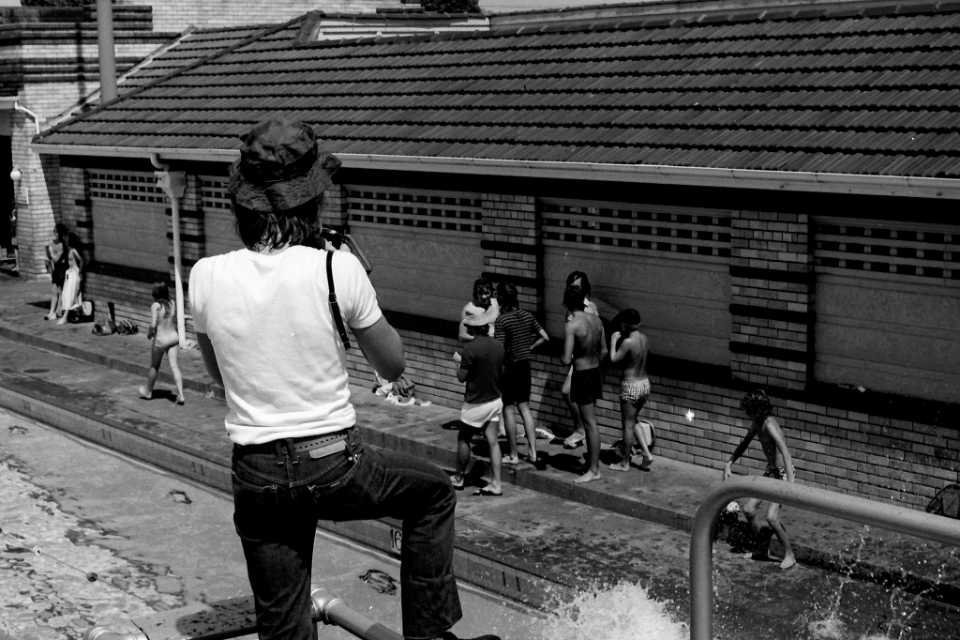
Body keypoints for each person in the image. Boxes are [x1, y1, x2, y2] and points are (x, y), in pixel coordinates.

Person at [189, 118, 498, 640]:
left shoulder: (205, 276)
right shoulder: (336, 269)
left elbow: (222, 377)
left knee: (283, 623)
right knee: (434, 494)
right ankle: (426, 637)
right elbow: (393, 367)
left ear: (244, 205)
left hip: (256, 471)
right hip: (333, 464)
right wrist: (355, 276)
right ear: (311, 202)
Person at [723, 390, 797, 571]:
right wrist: (729, 463)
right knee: (748, 509)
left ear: (757, 409)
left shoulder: (770, 425)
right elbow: (744, 443)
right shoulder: (757, 423)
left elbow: (785, 453)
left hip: (783, 475)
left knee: (771, 517)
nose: (747, 414)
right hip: (771, 472)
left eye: (749, 411)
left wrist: (790, 485)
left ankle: (790, 555)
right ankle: (761, 550)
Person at [493, 281, 550, 467]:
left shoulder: (502, 321)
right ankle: (533, 451)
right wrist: (529, 348)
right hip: (525, 367)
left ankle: (513, 454)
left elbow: (499, 349)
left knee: (508, 409)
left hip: (509, 368)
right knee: (525, 409)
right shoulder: (527, 315)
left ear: (501, 298)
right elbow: (545, 336)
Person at [452, 308, 505, 496]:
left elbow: (461, 377)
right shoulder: (499, 346)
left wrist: (459, 363)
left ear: (473, 329)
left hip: (475, 403)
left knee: (463, 439)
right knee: (493, 442)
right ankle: (496, 483)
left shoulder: (470, 350)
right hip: (495, 399)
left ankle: (459, 478)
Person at [560, 271, 615, 448]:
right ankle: (580, 429)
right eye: (571, 286)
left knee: (570, 394)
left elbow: (596, 333)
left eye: (577, 287)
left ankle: (581, 430)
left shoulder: (590, 308)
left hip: (585, 362)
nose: (573, 289)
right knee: (568, 393)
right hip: (578, 359)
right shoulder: (571, 309)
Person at [560, 285, 607, 484]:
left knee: (589, 423)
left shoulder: (572, 325)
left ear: (568, 304)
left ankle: (594, 470)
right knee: (590, 423)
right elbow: (604, 351)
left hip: (582, 374)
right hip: (595, 371)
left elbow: (565, 359)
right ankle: (591, 465)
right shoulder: (597, 320)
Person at [607, 309, 654, 471]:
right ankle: (647, 454)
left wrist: (613, 341)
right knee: (633, 421)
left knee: (627, 424)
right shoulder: (644, 339)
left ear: (626, 324)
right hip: (644, 383)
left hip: (631, 385)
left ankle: (624, 462)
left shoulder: (628, 342)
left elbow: (614, 359)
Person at [139, 282, 185, 405]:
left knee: (154, 366)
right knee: (174, 366)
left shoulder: (155, 306)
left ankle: (148, 391)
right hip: (173, 337)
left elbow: (153, 324)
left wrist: (149, 333)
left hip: (161, 340)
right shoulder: (172, 303)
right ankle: (180, 395)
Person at [56, 231, 84, 325]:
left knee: (71, 295)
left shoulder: (73, 251)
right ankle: (71, 315)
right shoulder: (69, 250)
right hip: (69, 274)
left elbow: (82, 261)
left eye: (66, 240)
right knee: (67, 295)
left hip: (74, 274)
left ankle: (66, 317)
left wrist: (79, 273)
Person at [458, 278, 499, 342]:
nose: (483, 297)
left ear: (491, 292)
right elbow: (462, 335)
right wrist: (479, 340)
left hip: (495, 347)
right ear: (476, 293)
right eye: (480, 293)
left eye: (486, 293)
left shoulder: (496, 305)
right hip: (479, 348)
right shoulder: (468, 309)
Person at [43, 224, 68, 320]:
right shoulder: (52, 243)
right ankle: (51, 312)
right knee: (53, 290)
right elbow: (51, 257)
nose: (54, 233)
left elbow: (57, 259)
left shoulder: (61, 245)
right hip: (55, 268)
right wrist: (48, 252)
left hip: (61, 268)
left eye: (56, 231)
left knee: (60, 290)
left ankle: (58, 311)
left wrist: (51, 252)